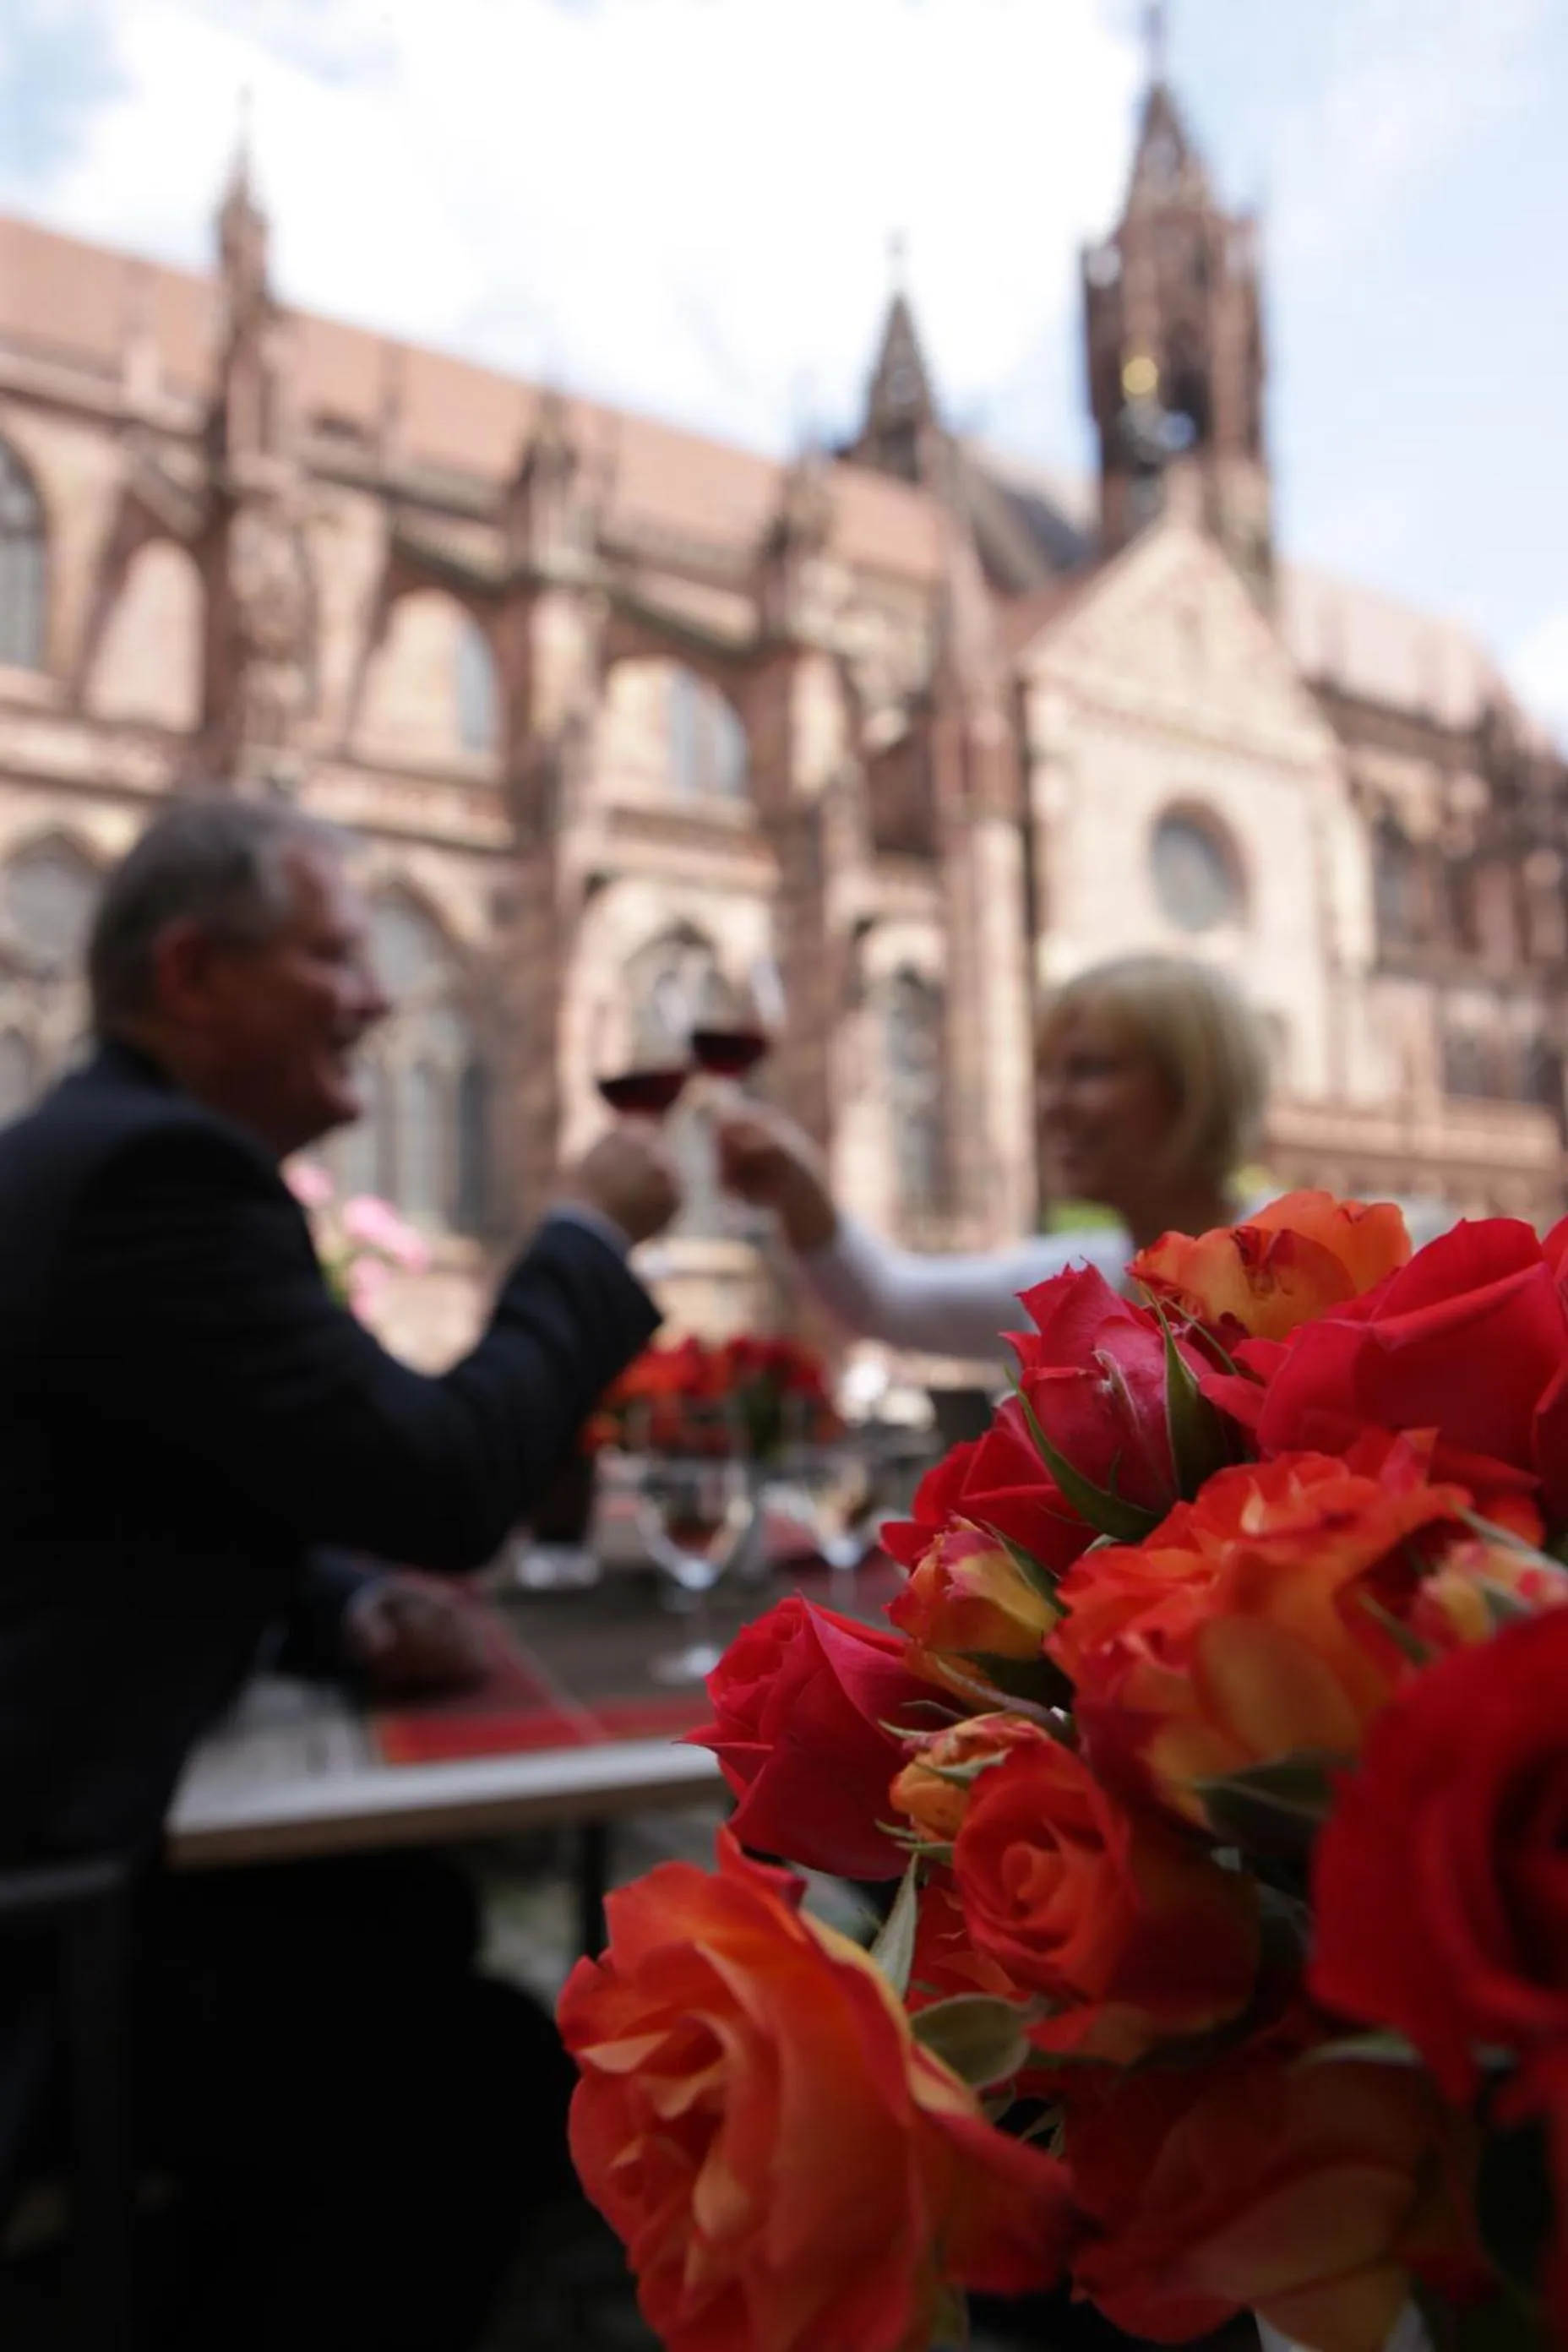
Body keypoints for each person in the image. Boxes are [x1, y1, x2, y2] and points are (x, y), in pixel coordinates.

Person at [0, 796, 679, 2351]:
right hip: (49, 1905)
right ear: (192, 971)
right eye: (331, 953)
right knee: (486, 2063)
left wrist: (333, 1603)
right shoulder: (153, 1173)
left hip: (95, 1818)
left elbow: (156, 1473)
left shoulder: (102, 1149)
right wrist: (581, 1236)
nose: (378, 997)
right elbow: (442, 1480)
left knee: (411, 1913)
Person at [718, 951, 1270, 1361]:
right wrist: (797, 1188)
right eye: (1045, 1076)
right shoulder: (1087, 1278)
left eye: (1089, 1070)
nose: (1050, 1105)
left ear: (1194, 1086)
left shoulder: (1305, 1258)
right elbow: (886, 1299)